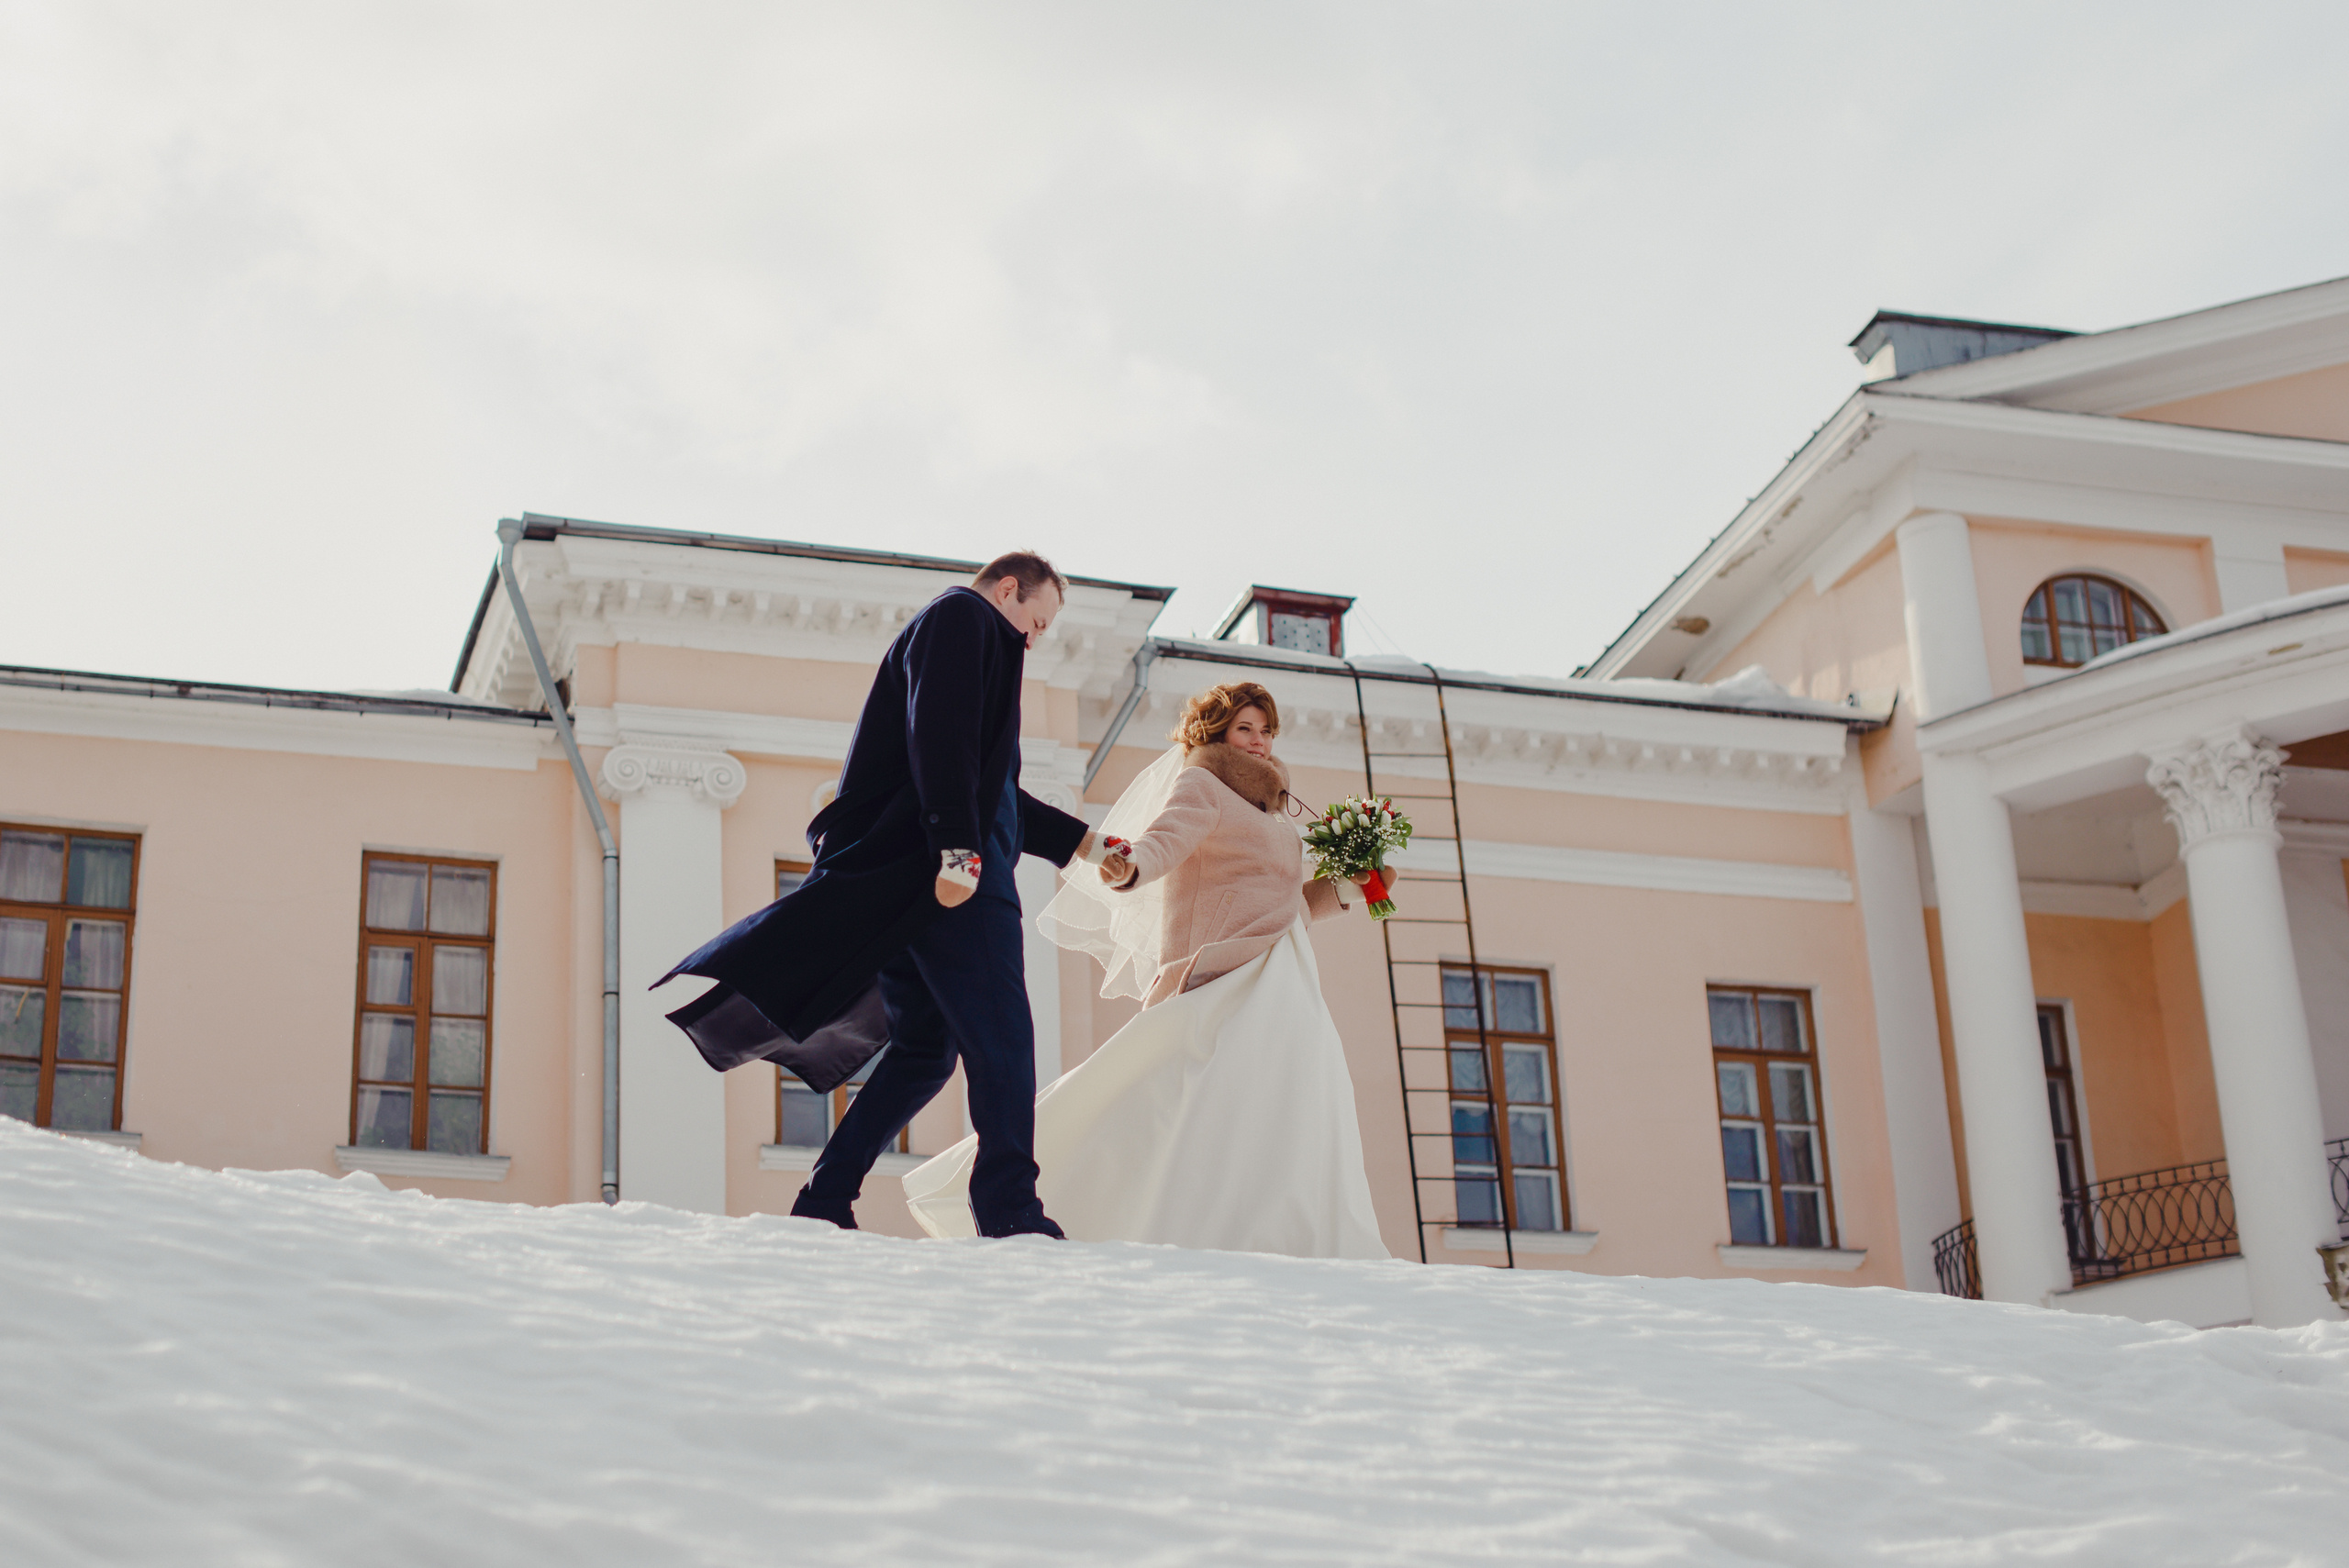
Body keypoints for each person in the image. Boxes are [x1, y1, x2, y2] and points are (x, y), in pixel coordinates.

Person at [657, 551, 1123, 1237]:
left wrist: (1086, 845)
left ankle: (825, 1195)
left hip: (920, 883)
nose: (1035, 638)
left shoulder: (971, 640)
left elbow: (991, 789)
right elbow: (938, 737)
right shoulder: (963, 618)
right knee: (1003, 1037)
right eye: (1036, 619)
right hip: (958, 883)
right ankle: (1008, 1204)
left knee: (925, 1050)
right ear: (1005, 590)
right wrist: (959, 850)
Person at [901, 682, 1391, 1260]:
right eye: (1244, 729)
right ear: (1216, 734)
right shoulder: (1203, 784)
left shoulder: (1276, 811)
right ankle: (1024, 1187)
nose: (1258, 742)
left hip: (1283, 971)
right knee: (1180, 1100)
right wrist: (1129, 866)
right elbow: (1164, 841)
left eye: (1265, 731)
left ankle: (1281, 1232)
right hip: (1224, 975)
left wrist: (1352, 885)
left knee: (1291, 1095)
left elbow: (1286, 906)